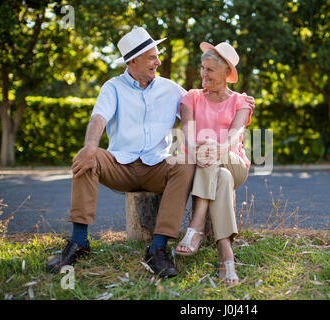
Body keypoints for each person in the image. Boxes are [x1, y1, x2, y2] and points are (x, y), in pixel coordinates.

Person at [46, 27, 255, 278]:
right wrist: (90, 146)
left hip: (157, 166)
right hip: (119, 165)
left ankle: (158, 248)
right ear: (133, 60)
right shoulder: (112, 87)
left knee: (184, 162)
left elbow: (201, 107)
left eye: (157, 55)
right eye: (151, 57)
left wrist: (240, 102)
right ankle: (79, 241)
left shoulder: (172, 89)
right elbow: (98, 118)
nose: (158, 61)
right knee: (87, 158)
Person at [175, 42, 253, 285]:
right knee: (222, 178)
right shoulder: (192, 97)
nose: (203, 74)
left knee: (214, 153)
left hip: (233, 161)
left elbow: (236, 132)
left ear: (226, 74)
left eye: (210, 70)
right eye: (202, 68)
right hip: (205, 163)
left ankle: (195, 227)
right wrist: (198, 147)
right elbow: (187, 131)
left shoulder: (240, 100)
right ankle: (226, 255)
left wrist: (219, 148)